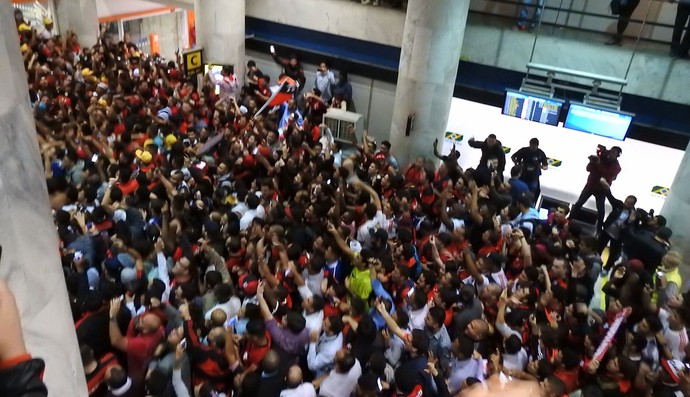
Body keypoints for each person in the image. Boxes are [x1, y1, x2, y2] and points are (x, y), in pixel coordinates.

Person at [569, 145, 622, 235]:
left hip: (601, 190)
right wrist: (592, 162)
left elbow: (607, 174)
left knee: (601, 210)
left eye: (613, 153)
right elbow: (588, 169)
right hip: (590, 186)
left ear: (617, 156)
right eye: (610, 151)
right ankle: (569, 220)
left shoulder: (616, 167)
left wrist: (598, 163)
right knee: (579, 203)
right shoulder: (601, 158)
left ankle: (599, 230)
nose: (610, 153)